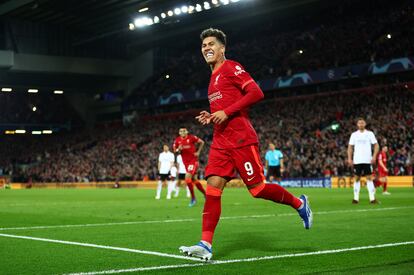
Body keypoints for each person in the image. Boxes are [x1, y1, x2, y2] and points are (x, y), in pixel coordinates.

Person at [179, 28, 312, 261]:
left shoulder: (231, 67)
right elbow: (223, 109)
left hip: (241, 139)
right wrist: (211, 117)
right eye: (203, 46)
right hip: (221, 142)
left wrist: (226, 112)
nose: (207, 48)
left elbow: (256, 92)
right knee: (212, 189)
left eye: (211, 44)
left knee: (258, 190)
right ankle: (206, 244)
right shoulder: (212, 79)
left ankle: (300, 204)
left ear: (222, 48)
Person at [347, 118, 379, 204]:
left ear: (365, 124)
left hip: (367, 160)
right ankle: (355, 199)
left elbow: (376, 145)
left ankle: (372, 199)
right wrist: (349, 158)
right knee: (357, 178)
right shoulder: (354, 135)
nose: (361, 124)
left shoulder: (370, 134)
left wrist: (374, 156)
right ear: (357, 124)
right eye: (359, 123)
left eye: (362, 123)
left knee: (369, 178)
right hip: (357, 160)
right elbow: (350, 147)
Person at [173, 128, 206, 206]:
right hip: (186, 163)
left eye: (184, 131)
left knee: (187, 178)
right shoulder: (177, 140)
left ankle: (193, 198)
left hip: (193, 161)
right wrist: (179, 149)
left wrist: (198, 152)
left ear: (187, 132)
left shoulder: (191, 138)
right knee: (194, 180)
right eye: (181, 131)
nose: (183, 132)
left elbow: (202, 142)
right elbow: (175, 151)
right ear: (179, 132)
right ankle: (205, 195)